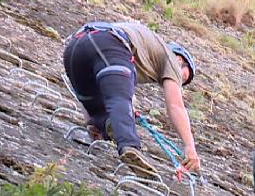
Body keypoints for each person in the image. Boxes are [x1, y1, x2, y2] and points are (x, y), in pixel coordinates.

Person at [63, 21, 200, 178]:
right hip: (109, 43)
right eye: (183, 77)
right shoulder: (171, 59)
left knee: (103, 113)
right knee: (119, 99)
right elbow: (175, 106)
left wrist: (92, 121)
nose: (179, 82)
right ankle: (129, 146)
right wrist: (190, 146)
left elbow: (95, 93)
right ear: (180, 60)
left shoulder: (144, 50)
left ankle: (102, 125)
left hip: (75, 49)